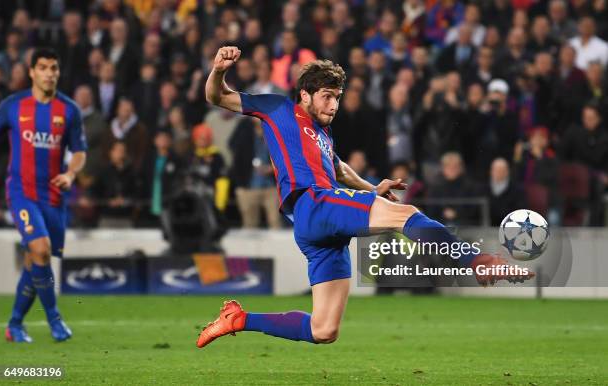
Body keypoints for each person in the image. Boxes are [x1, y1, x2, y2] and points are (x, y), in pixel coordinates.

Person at [196, 46, 533, 349]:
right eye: (327, 96)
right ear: (305, 95)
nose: (333, 105)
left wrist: (372, 190)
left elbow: (340, 169)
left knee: (323, 329)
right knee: (406, 215)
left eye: (337, 97)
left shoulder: (323, 134)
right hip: (315, 204)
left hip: (318, 228)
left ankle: (238, 319)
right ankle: (477, 262)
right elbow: (218, 96)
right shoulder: (278, 108)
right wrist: (220, 70)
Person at [0, 48, 87, 343]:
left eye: (54, 67)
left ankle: (14, 324)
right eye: (44, 67)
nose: (49, 73)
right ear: (32, 71)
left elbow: (80, 152)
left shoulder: (69, 110)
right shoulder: (12, 106)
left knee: (36, 259)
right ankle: (55, 320)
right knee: (41, 249)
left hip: (53, 197)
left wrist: (71, 174)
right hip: (21, 192)